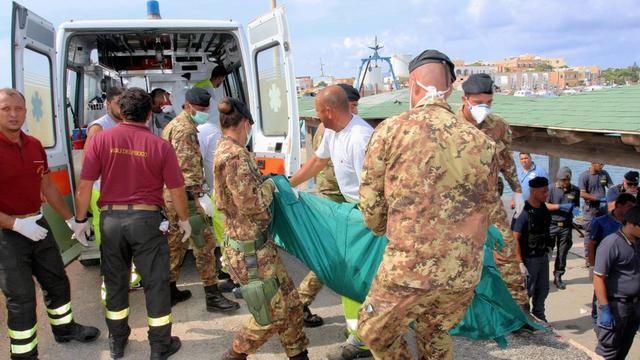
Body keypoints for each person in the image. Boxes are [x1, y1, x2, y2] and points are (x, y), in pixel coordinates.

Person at [356, 50, 500, 359]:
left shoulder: (391, 131)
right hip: (461, 272)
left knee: (372, 329)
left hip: (409, 267)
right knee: (434, 331)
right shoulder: (482, 142)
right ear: (450, 88)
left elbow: (370, 205)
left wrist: (382, 227)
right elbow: (488, 204)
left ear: (413, 85)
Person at [75, 88, 187, 359]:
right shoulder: (161, 145)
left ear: (120, 112)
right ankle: (160, 346)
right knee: (155, 282)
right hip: (146, 220)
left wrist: (80, 220)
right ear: (149, 114)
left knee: (115, 281)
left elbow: (85, 185)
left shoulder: (101, 140)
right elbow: (177, 189)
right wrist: (185, 221)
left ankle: (117, 341)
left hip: (111, 220)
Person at [0, 88, 100, 360]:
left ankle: (64, 328)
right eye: (5, 108)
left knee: (56, 280)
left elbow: (47, 185)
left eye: (18, 109)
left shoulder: (33, 145)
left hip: (37, 222)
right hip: (7, 234)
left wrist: (71, 219)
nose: (13, 114)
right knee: (20, 297)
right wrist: (15, 225)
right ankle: (24, 354)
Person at [215, 97, 309, 360]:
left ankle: (299, 354)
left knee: (290, 304)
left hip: (258, 246)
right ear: (245, 123)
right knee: (270, 315)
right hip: (250, 253)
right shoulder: (234, 156)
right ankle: (234, 354)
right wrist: (271, 185)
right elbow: (252, 203)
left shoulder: (229, 150)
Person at [289, 85, 373, 359]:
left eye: (316, 111)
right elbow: (317, 161)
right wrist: (289, 185)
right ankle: (358, 335)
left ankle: (367, 339)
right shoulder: (333, 132)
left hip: (366, 213)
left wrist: (364, 224)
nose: (315, 116)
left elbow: (373, 189)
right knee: (346, 275)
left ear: (328, 111)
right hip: (350, 210)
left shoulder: (360, 138)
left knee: (361, 277)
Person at [161, 87, 240, 312]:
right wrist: (200, 196)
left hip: (171, 195)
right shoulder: (185, 130)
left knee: (175, 244)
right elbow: (187, 169)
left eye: (206, 108)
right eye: (200, 109)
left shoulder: (173, 125)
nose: (204, 112)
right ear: (188, 106)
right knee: (204, 246)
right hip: (186, 197)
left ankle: (169, 290)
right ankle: (212, 296)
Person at [457, 73, 529, 310]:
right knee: (459, 257)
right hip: (457, 204)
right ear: (465, 99)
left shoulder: (498, 126)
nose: (484, 108)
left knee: (506, 250)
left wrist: (517, 190)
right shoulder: (449, 126)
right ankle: (460, 312)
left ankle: (520, 311)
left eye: (488, 102)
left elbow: (507, 160)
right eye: (478, 103)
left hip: (489, 201)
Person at [295, 83, 360, 331]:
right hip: (334, 197)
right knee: (333, 258)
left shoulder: (350, 129)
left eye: (355, 106)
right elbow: (320, 162)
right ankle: (301, 300)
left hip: (341, 197)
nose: (354, 111)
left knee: (337, 258)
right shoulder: (330, 128)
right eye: (351, 106)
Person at [84, 86, 142, 301]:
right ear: (108, 103)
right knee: (110, 244)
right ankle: (110, 290)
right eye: (119, 103)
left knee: (129, 241)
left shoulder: (128, 124)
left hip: (128, 193)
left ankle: (128, 281)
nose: (123, 107)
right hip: (104, 194)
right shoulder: (99, 127)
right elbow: (89, 166)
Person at [593, 205, 640, 360]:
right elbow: (598, 277)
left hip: (634, 307)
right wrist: (604, 308)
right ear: (631, 224)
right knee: (608, 351)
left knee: (623, 349)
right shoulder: (611, 243)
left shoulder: (637, 243)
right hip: (616, 306)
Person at [587, 193, 637, 324]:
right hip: (604, 267)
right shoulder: (601, 222)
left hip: (623, 268)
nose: (631, 209)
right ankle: (597, 320)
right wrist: (592, 265)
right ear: (619, 205)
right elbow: (591, 244)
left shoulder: (632, 224)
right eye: (628, 206)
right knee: (599, 295)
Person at [512, 176, 553, 322]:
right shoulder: (523, 211)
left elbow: (547, 230)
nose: (546, 194)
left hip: (542, 256)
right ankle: (522, 320)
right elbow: (514, 238)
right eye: (543, 191)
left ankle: (539, 316)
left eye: (547, 190)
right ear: (533, 191)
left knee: (543, 290)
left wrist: (549, 248)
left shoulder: (543, 208)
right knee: (526, 291)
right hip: (528, 258)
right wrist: (520, 263)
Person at [545, 166, 580, 289]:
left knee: (562, 252)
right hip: (552, 224)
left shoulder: (575, 190)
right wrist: (559, 207)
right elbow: (545, 206)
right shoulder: (551, 189)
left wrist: (576, 210)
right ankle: (543, 277)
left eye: (566, 180)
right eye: (562, 180)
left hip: (566, 225)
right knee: (547, 251)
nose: (564, 183)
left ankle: (558, 276)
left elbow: (576, 205)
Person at [579, 163, 613, 263]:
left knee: (603, 231)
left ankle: (601, 255)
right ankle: (588, 258)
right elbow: (582, 193)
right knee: (589, 233)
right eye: (600, 164)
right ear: (593, 163)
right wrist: (597, 199)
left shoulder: (604, 174)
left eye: (604, 164)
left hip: (602, 210)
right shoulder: (584, 176)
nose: (602, 166)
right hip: (590, 209)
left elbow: (611, 187)